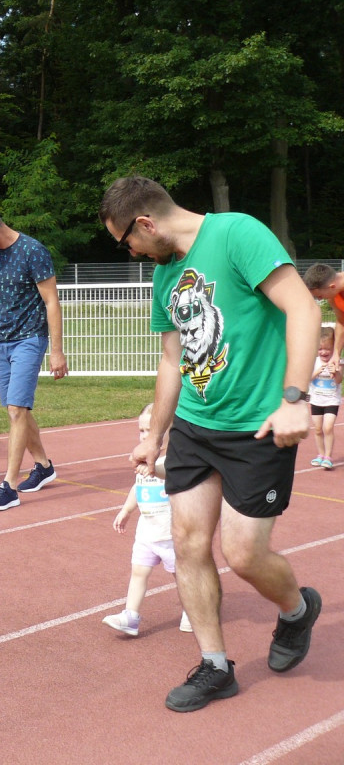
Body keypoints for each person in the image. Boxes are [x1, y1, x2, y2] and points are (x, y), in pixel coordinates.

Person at [99, 175, 322, 713]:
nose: (129, 252)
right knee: (188, 542)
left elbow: (304, 309)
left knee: (243, 554)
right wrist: (155, 435)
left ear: (146, 223)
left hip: (257, 426)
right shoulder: (164, 276)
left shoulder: (237, 233)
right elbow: (173, 360)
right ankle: (215, 664)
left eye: (125, 241)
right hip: (197, 426)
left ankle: (295, 610)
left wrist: (294, 398)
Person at [0, 204, 68, 512]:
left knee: (18, 408)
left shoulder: (33, 251)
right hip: (0, 341)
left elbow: (51, 302)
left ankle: (8, 486)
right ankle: (43, 466)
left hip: (30, 339)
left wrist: (56, 351)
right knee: (14, 410)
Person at [103, 403, 191, 637]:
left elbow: (168, 474)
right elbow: (137, 486)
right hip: (146, 534)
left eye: (150, 431)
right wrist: (126, 510)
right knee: (138, 573)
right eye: (141, 431)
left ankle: (192, 611)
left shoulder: (173, 459)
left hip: (170, 536)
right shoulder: (144, 458)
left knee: (182, 577)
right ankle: (131, 617)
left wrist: (151, 468)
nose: (145, 436)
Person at [308, 326, 341, 470]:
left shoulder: (337, 361)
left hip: (331, 400)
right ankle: (320, 454)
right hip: (316, 400)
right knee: (318, 429)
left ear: (333, 348)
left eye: (327, 348)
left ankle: (328, 456)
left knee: (328, 428)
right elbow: (307, 378)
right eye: (320, 349)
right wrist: (316, 372)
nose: (324, 352)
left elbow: (340, 380)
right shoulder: (314, 362)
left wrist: (336, 372)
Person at [302, 263, 344, 370]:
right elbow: (341, 322)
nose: (320, 300)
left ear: (332, 287)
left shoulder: (332, 291)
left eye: (320, 296)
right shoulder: (333, 295)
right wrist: (336, 354)